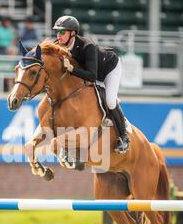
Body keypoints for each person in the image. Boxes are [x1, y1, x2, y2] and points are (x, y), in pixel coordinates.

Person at [52, 15, 129, 154]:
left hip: (108, 69)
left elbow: (92, 76)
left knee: (110, 101)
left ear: (73, 33)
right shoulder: (57, 44)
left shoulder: (88, 46)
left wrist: (72, 69)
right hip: (90, 72)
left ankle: (123, 137)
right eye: (57, 32)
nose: (59, 35)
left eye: (62, 32)